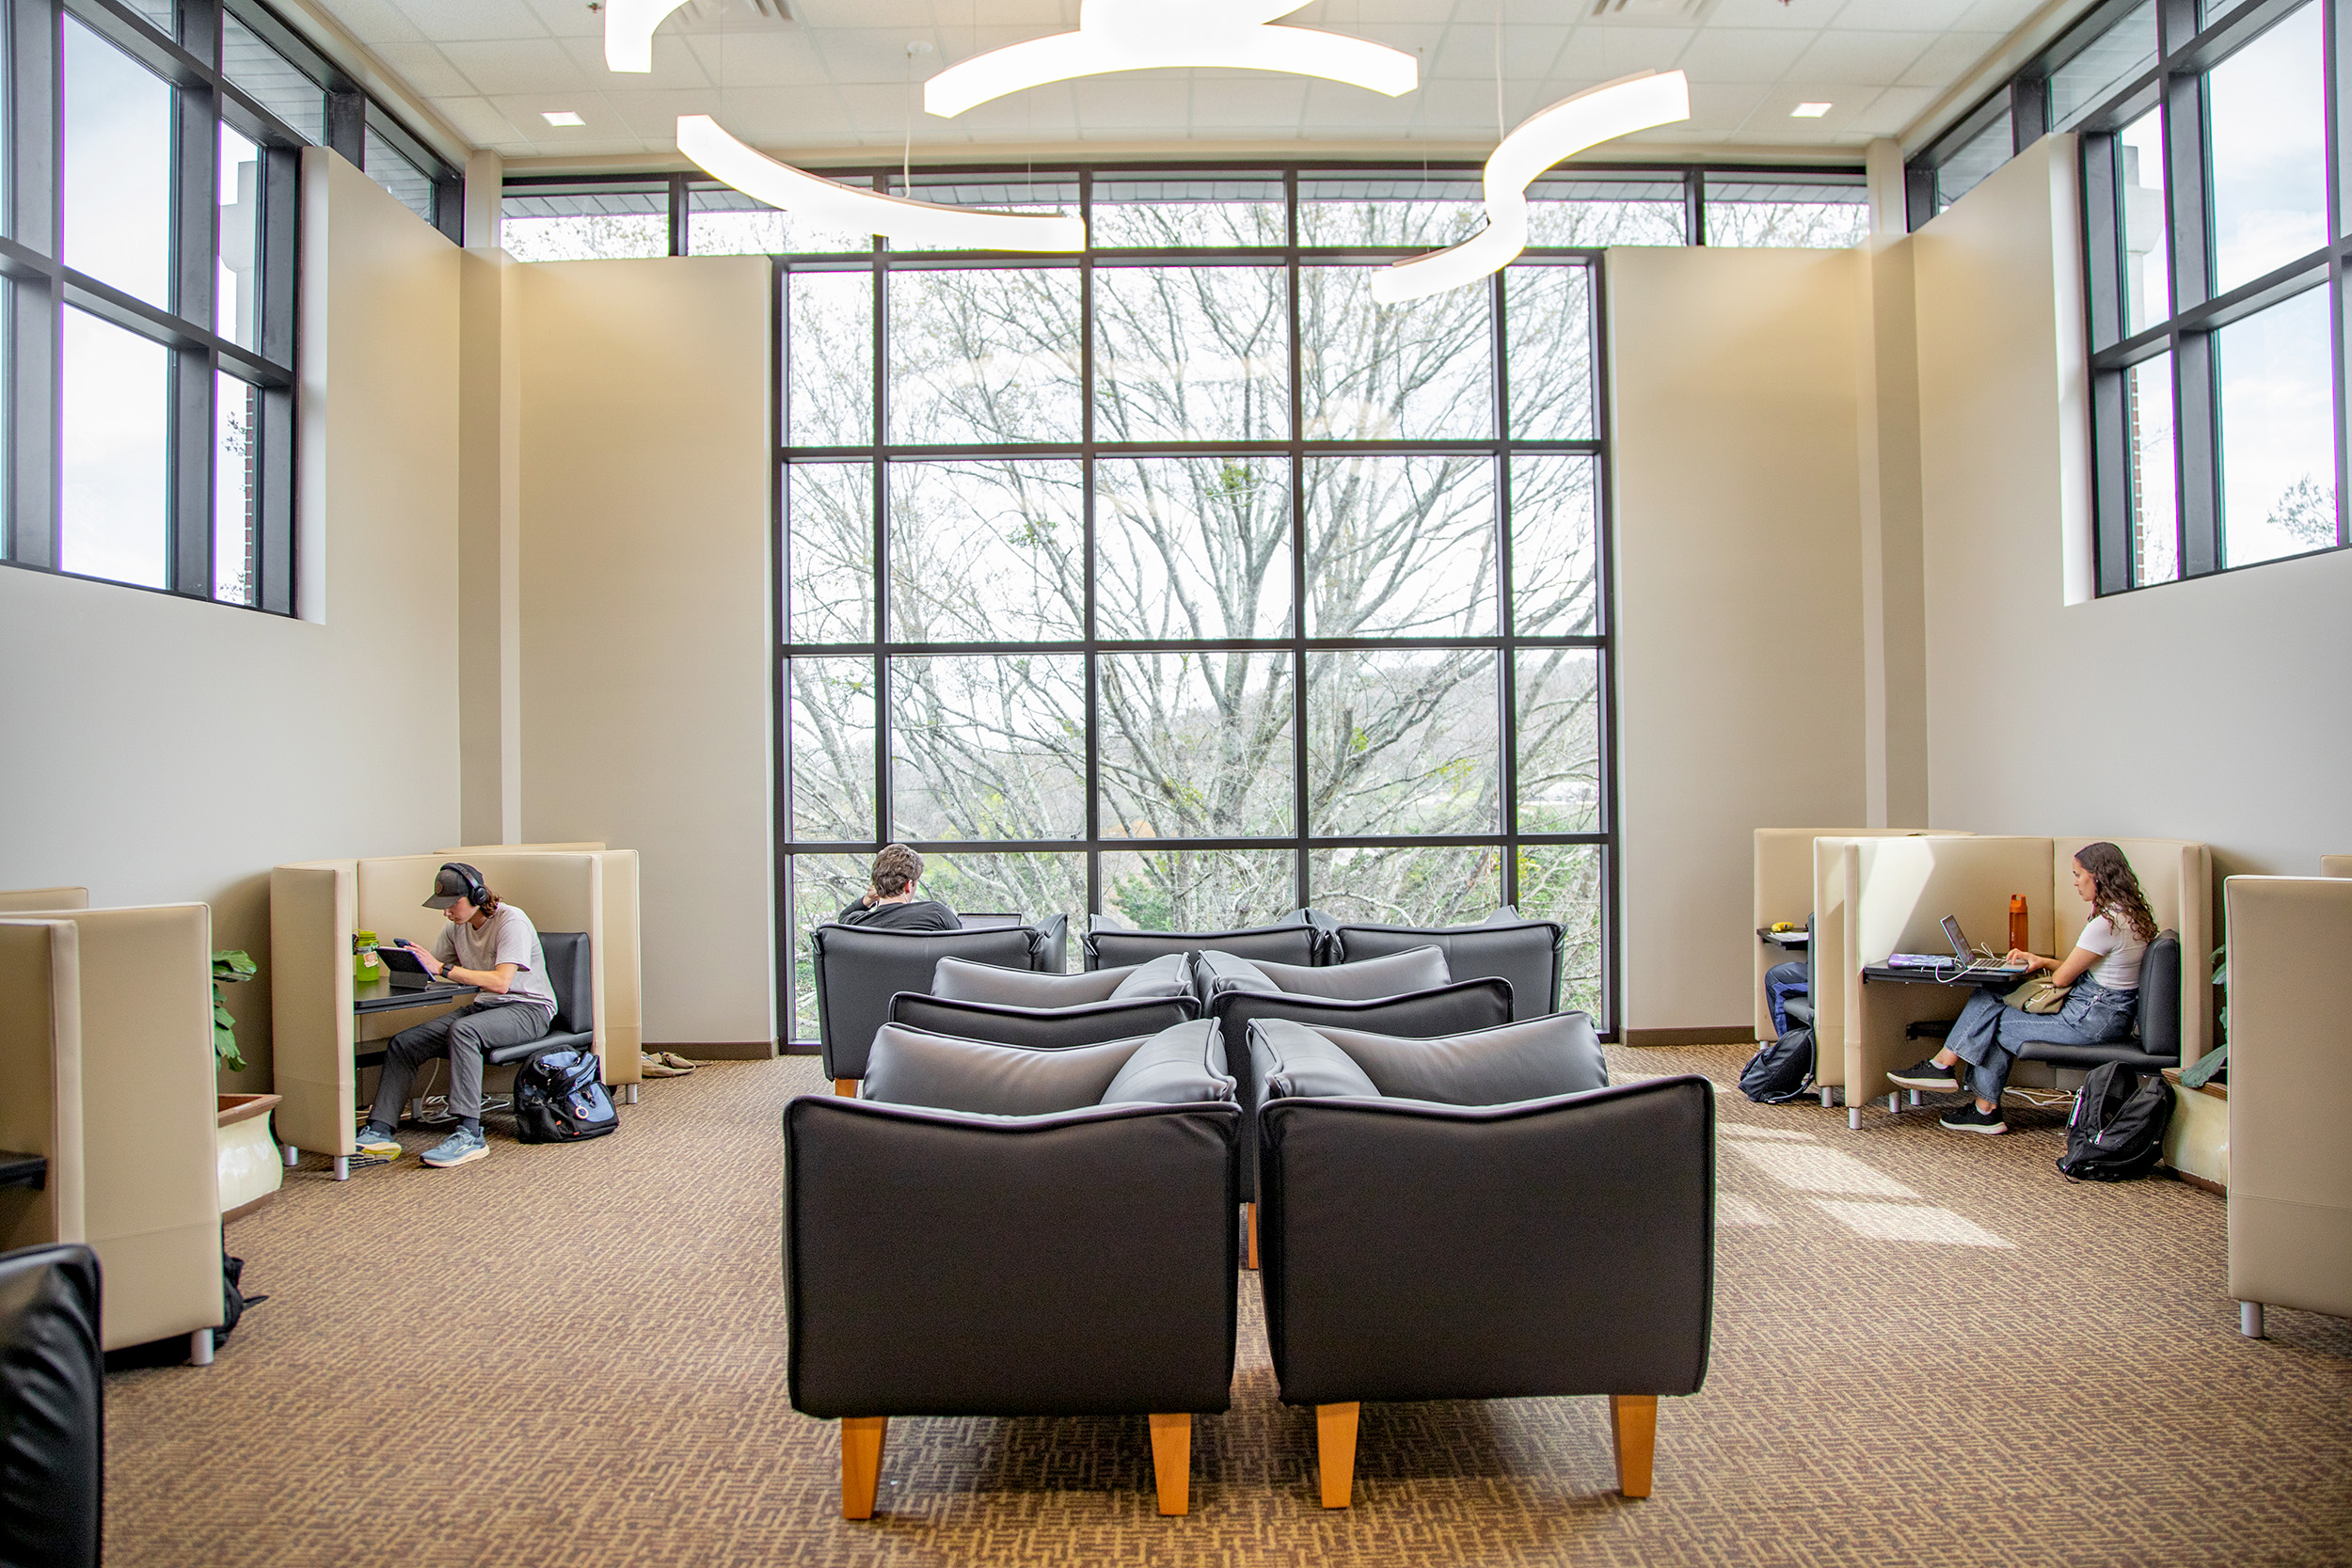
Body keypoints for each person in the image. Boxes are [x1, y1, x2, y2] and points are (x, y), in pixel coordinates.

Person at [1887, 842, 2157, 1134]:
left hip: (2091, 1020)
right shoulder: (2129, 915)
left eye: (2078, 875)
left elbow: (2063, 979)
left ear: (2097, 876)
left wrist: (2046, 966)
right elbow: (2088, 967)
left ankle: (1973, 1098)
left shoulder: (2106, 923)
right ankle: (1957, 1081)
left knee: (1993, 1019)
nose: (2076, 883)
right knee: (1991, 998)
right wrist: (2041, 960)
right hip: (2109, 1015)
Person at [353, 863, 559, 1169]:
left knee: (464, 1031)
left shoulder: (510, 920)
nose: (447, 913)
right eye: (443, 906)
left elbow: (501, 983)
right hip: (484, 1009)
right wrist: (413, 961)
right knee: (404, 1043)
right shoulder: (456, 928)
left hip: (529, 1009)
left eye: (452, 905)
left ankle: (469, 1135)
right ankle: (380, 1130)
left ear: (477, 895)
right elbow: (437, 972)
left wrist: (442, 968)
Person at [834, 844, 961, 932]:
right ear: (908, 885)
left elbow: (844, 916)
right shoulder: (936, 914)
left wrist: (868, 899)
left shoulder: (855, 924)